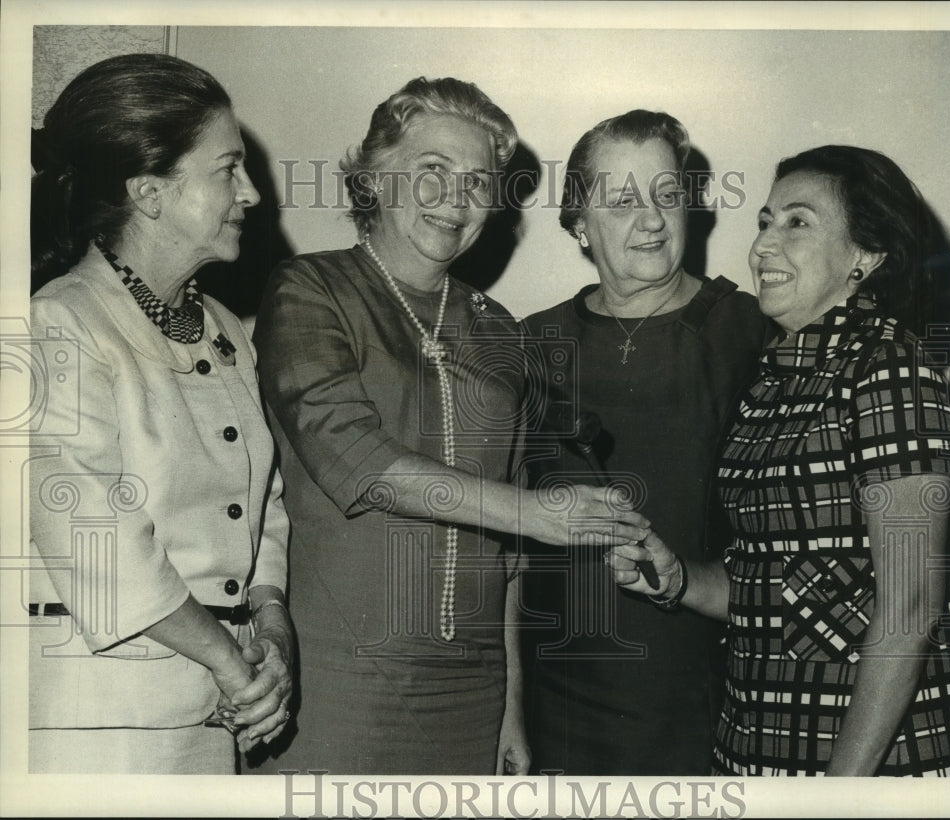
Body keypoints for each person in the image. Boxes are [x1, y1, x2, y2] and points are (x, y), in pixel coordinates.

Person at [251, 77, 649, 776]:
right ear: (374, 176)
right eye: (433, 172)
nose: (457, 200)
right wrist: (532, 512)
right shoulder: (309, 289)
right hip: (337, 679)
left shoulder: (499, 331)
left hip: (472, 690)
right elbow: (354, 455)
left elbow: (509, 554)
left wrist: (512, 708)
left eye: (477, 183)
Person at [610, 145, 950, 776]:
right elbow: (767, 588)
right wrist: (680, 577)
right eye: (766, 223)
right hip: (757, 748)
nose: (764, 246)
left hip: (864, 765)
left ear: (867, 255)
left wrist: (837, 794)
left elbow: (910, 607)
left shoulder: (893, 374)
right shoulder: (774, 386)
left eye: (797, 222)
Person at [28, 53, 293, 774]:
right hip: (105, 727)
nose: (253, 194)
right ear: (149, 192)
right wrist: (232, 662)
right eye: (228, 170)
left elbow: (263, 505)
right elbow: (93, 536)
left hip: (216, 709)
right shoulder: (58, 322)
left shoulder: (227, 330)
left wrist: (272, 631)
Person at [519, 110, 771, 775]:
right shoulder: (528, 346)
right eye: (622, 201)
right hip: (562, 703)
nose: (653, 219)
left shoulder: (749, 330)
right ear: (578, 223)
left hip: (712, 694)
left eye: (667, 195)